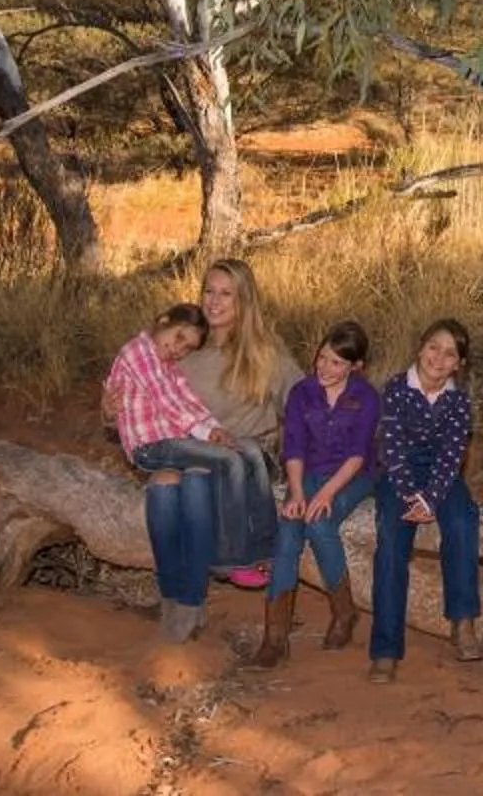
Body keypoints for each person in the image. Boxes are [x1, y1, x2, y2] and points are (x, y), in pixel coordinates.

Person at [101, 303, 245, 642]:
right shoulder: (140, 352)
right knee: (181, 480)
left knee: (195, 480)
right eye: (178, 338)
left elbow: (189, 402)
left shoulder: (259, 355)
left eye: (186, 347)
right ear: (162, 320)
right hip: (159, 447)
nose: (178, 349)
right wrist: (211, 436)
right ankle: (179, 590)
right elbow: (167, 402)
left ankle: (191, 601)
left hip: (181, 442)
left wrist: (213, 429)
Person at [253, 319, 380, 669]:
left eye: (337, 362)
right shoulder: (302, 392)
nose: (325, 367)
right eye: (322, 357)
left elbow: (357, 455)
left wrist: (325, 494)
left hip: (353, 475)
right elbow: (293, 446)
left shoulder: (366, 397)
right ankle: (274, 637)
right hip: (307, 473)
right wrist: (296, 492)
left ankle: (344, 613)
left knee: (321, 524)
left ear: (356, 367)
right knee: (289, 531)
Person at [367, 318, 482, 682]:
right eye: (434, 347)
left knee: (463, 520)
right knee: (390, 541)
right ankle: (385, 649)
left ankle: (462, 621)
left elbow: (452, 456)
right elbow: (392, 448)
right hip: (398, 473)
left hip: (440, 474)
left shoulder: (458, 401)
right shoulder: (397, 389)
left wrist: (431, 499)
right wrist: (408, 495)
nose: (439, 357)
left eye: (450, 353)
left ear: (458, 364)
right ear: (420, 347)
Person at [180, 257, 301, 589]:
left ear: (243, 301)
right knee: (192, 479)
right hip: (200, 452)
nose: (214, 301)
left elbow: (304, 403)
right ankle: (198, 585)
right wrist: (111, 408)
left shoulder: (264, 353)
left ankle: (234, 556)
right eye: (209, 291)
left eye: (226, 294)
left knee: (203, 476)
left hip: (252, 458)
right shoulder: (186, 351)